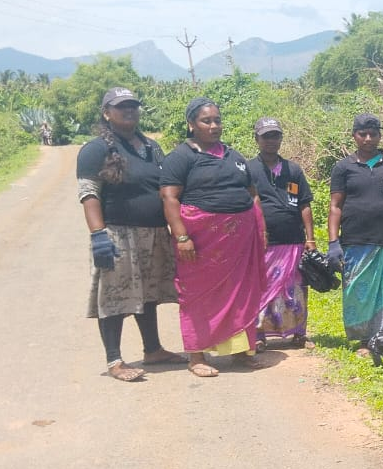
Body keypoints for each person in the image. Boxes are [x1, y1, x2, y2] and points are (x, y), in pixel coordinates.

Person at [76, 87, 185, 381]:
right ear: (106, 113)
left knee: (147, 293)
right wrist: (98, 234)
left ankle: (153, 349)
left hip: (153, 233)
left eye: (133, 106)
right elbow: (89, 194)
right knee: (114, 296)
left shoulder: (151, 147)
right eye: (121, 106)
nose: (129, 111)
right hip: (116, 234)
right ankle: (115, 360)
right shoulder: (95, 149)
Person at [160, 97, 267, 377]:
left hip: (240, 242)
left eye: (217, 120)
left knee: (242, 292)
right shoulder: (181, 157)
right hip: (203, 243)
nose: (214, 125)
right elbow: (170, 198)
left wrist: (261, 229)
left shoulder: (234, 156)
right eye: (206, 120)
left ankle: (242, 351)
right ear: (191, 124)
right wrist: (182, 237)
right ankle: (196, 356)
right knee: (199, 295)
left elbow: (252, 193)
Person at [327, 113, 383, 347]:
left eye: (373, 134)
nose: (368, 138)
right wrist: (333, 242)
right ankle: (365, 340)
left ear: (379, 135)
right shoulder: (343, 167)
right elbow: (335, 206)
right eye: (362, 134)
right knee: (358, 293)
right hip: (355, 242)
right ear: (354, 136)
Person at [248, 117, 316, 350]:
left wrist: (310, 238)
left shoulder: (292, 170)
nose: (271, 141)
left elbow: (304, 204)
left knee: (296, 287)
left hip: (293, 241)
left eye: (275, 136)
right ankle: (258, 335)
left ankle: (298, 332)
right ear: (257, 139)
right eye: (266, 136)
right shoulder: (249, 169)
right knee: (263, 287)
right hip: (264, 242)